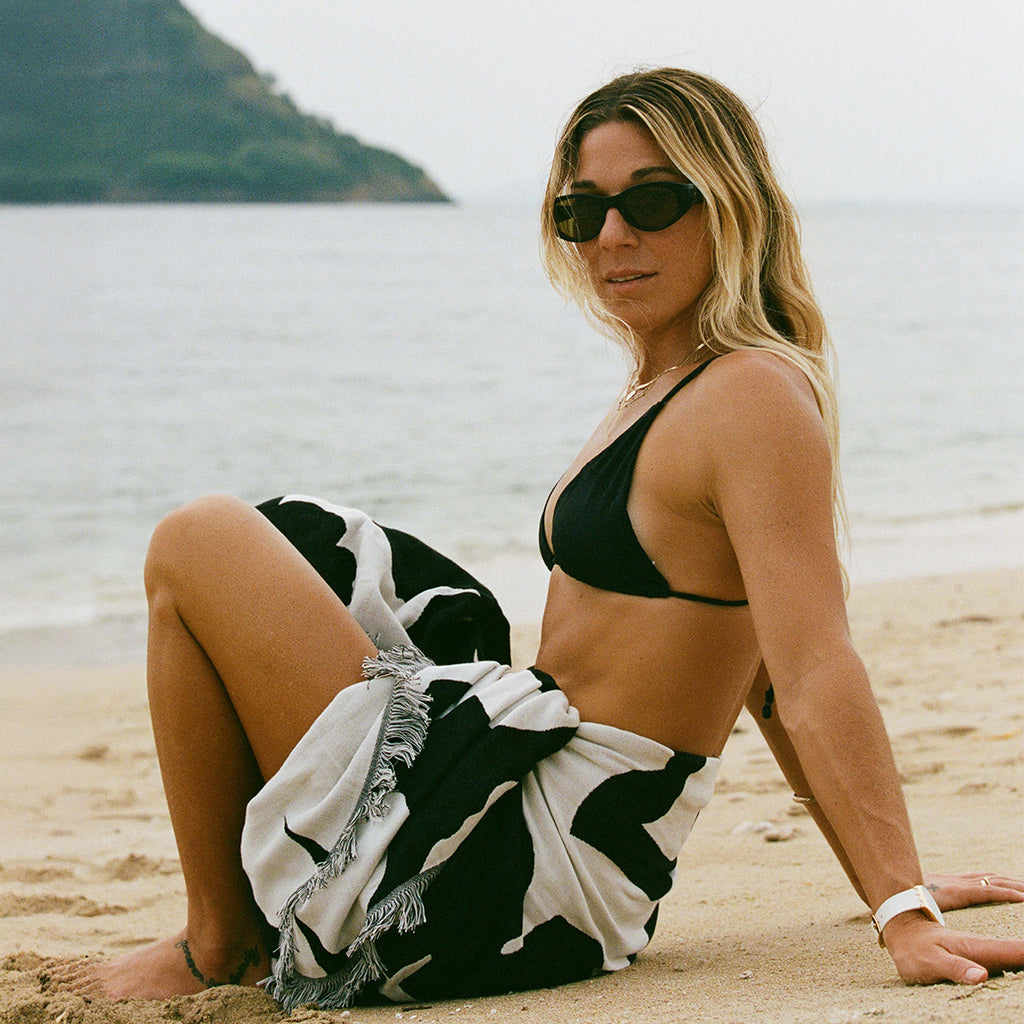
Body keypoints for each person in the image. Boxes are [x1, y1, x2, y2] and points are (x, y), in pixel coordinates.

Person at [55, 68, 1023, 1009]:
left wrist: (902, 908)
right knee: (297, 540)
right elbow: (760, 670)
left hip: (512, 876)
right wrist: (893, 875)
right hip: (531, 862)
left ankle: (219, 941)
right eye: (581, 211)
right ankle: (243, 920)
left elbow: (811, 667)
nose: (612, 236)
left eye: (652, 201)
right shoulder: (668, 388)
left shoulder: (749, 395)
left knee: (198, 538)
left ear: (731, 204)